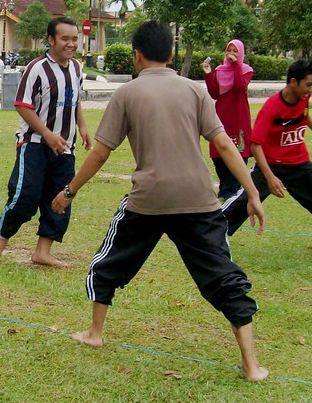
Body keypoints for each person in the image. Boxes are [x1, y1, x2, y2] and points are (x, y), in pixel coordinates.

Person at [51, 20, 269, 382]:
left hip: (148, 200)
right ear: (170, 54)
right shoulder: (195, 90)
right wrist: (253, 193)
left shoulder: (127, 93)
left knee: (109, 263)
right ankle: (251, 365)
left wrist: (69, 191)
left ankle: (95, 333)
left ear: (136, 56)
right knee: (222, 276)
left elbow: (100, 154)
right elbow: (226, 145)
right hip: (199, 199)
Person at [221, 58, 312, 256]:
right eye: (308, 84)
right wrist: (270, 177)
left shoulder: (303, 98)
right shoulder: (272, 107)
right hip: (271, 166)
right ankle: (212, 238)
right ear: (293, 82)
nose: (310, 89)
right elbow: (256, 144)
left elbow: (304, 114)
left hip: (299, 164)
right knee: (243, 201)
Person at [0, 17, 91, 267]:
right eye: (65, 39)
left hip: (65, 148)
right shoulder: (37, 68)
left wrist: (83, 126)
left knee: (60, 199)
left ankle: (42, 252)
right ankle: (2, 239)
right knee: (25, 196)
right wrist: (46, 133)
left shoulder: (76, 68)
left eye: (75, 39)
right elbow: (22, 105)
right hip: (34, 145)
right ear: (52, 40)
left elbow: (75, 101)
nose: (71, 44)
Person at [201, 39, 254, 199]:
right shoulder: (219, 71)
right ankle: (226, 194)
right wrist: (208, 73)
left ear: (241, 53)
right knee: (220, 157)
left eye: (235, 51)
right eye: (228, 50)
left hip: (238, 118)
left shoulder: (246, 70)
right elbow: (215, 93)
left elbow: (239, 86)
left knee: (238, 157)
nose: (231, 54)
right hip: (222, 117)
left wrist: (236, 65)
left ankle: (228, 196)